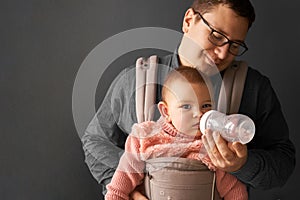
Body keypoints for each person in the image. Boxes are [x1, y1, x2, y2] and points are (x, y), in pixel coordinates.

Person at [82, 0, 296, 199]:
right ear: (188, 21)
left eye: (234, 45)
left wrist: (243, 164)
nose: (222, 53)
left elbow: (284, 162)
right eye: (216, 35)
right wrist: (125, 187)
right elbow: (94, 141)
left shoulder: (253, 88)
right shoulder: (136, 81)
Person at [105, 66, 247, 200]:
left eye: (206, 106)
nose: (198, 113)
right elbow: (118, 190)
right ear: (166, 112)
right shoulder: (145, 138)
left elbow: (234, 191)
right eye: (186, 106)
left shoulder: (214, 145)